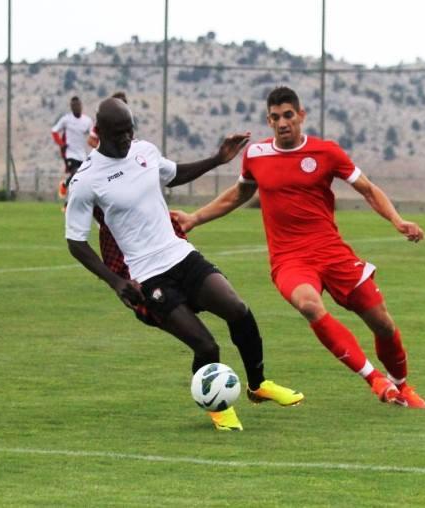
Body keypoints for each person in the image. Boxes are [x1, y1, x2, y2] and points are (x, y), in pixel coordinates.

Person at [173, 86, 425, 409]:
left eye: (288, 115)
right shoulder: (256, 155)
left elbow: (367, 189)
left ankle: (402, 385)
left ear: (301, 115)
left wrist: (397, 220)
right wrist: (195, 218)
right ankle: (374, 378)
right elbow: (239, 194)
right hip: (289, 260)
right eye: (275, 117)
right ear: (269, 120)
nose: (283, 123)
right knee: (309, 304)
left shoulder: (327, 152)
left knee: (383, 323)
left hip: (333, 253)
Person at [65, 97, 303, 431]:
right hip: (148, 276)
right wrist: (116, 282)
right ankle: (218, 408)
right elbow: (76, 242)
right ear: (100, 131)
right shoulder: (86, 180)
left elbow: (174, 174)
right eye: (119, 133)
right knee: (206, 346)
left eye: (130, 130)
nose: (126, 138)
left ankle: (258, 384)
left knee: (237, 309)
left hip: (181, 255)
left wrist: (217, 159)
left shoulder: (144, 151)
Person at [51, 96, 94, 199]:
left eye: (78, 105)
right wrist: (61, 144)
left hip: (82, 154)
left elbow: (93, 135)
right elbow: (54, 131)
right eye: (74, 106)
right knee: (76, 173)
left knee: (81, 179)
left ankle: (66, 186)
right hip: (70, 153)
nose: (76, 108)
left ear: (81, 106)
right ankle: (68, 193)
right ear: (71, 107)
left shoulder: (87, 121)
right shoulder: (66, 119)